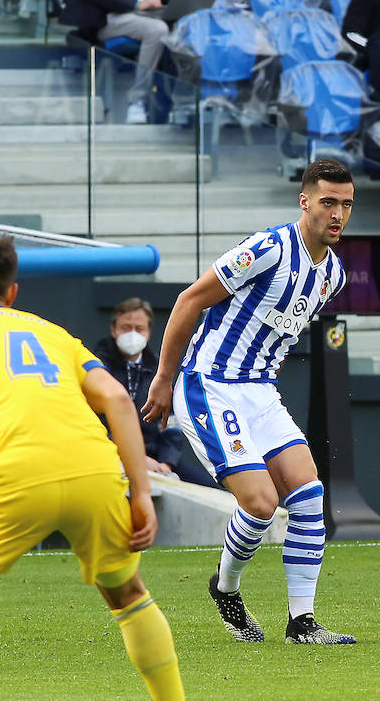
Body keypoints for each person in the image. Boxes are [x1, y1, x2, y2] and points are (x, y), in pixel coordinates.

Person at [141, 159, 356, 646]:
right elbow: (188, 301)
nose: (337, 213)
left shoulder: (334, 275)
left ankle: (302, 622)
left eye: (345, 203)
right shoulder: (268, 248)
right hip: (209, 384)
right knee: (260, 503)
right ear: (305, 202)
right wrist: (163, 379)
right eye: (327, 202)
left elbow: (279, 327)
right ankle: (227, 588)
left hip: (259, 390)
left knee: (308, 494)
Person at [0, 234, 184, 700]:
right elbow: (117, 401)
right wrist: (141, 493)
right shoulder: (50, 333)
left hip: (16, 478)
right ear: (11, 293)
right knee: (127, 594)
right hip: (96, 472)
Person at [94, 297, 219, 488]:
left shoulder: (159, 371)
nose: (132, 334)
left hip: (157, 459)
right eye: (126, 328)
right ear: (114, 329)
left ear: (149, 332)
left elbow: (172, 423)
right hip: (109, 455)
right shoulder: (97, 367)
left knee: (212, 491)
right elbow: (93, 424)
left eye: (139, 329)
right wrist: (136, 458)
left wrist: (167, 462)